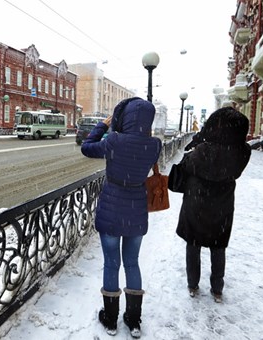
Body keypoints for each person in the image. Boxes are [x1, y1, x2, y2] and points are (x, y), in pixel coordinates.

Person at [81, 97, 162, 337]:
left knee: (111, 263)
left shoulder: (115, 141)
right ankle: (134, 320)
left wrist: (103, 125)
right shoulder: (154, 144)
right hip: (136, 212)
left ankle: (110, 319)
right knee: (132, 263)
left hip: (111, 211)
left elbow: (87, 147)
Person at [174, 106, 251, 303]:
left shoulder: (201, 151)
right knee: (218, 247)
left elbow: (185, 164)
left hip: (196, 203)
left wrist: (200, 139)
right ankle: (217, 289)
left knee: (193, 245)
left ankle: (193, 284)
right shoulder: (241, 153)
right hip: (222, 207)